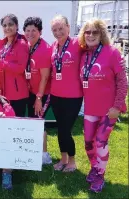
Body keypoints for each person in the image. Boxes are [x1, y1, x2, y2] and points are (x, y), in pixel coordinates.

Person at [78, 18, 127, 193]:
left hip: (109, 110)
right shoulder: (84, 55)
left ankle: (100, 174)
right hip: (91, 108)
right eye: (87, 32)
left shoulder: (112, 52)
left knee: (100, 142)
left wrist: (117, 107)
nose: (91, 35)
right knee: (88, 143)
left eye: (95, 32)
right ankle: (95, 167)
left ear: (102, 34)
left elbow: (123, 82)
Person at [50, 15, 83, 172]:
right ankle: (63, 159)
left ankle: (72, 161)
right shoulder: (54, 46)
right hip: (56, 95)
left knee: (65, 129)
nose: (58, 32)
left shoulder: (78, 44)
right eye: (54, 30)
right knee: (60, 128)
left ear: (69, 27)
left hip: (73, 96)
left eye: (61, 28)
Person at [23, 17, 52, 165]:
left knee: (39, 122)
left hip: (42, 93)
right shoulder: (26, 45)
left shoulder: (44, 49)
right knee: (32, 121)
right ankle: (33, 149)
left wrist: (39, 97)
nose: (30, 33)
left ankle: (44, 155)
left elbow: (45, 77)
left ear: (40, 32)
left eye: (34, 30)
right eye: (27, 30)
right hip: (30, 91)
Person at [0, 14, 29, 117]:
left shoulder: (22, 43)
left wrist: (1, 62)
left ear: (16, 26)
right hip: (4, 91)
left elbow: (20, 68)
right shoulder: (3, 44)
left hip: (17, 93)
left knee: (17, 123)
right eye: (4, 25)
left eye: (10, 24)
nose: (7, 28)